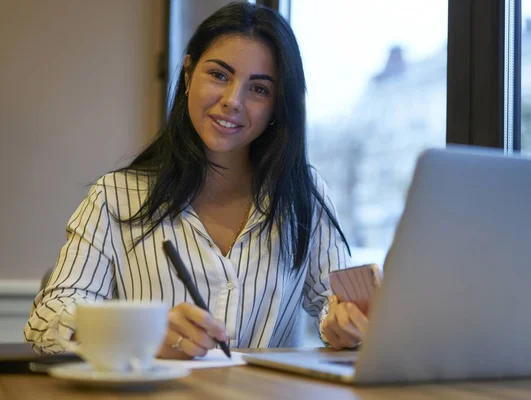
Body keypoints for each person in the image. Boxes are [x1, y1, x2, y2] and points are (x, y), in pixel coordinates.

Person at [24, 2, 368, 359]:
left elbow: (335, 301)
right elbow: (47, 321)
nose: (232, 101)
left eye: (259, 89)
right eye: (219, 75)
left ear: (277, 107)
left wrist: (343, 323)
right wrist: (141, 335)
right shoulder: (115, 197)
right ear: (188, 75)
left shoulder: (303, 196)